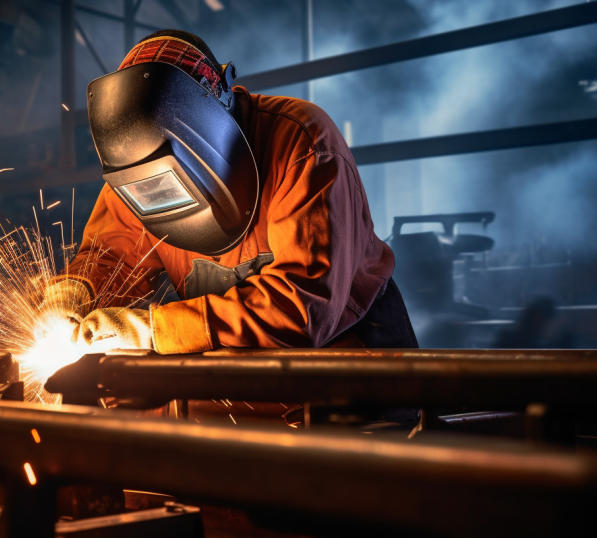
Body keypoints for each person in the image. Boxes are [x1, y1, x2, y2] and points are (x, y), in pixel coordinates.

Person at [38, 30, 417, 354]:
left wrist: (154, 330)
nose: (157, 193)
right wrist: (73, 292)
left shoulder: (300, 143)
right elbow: (111, 257)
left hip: (350, 365)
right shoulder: (137, 170)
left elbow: (303, 307)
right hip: (238, 368)